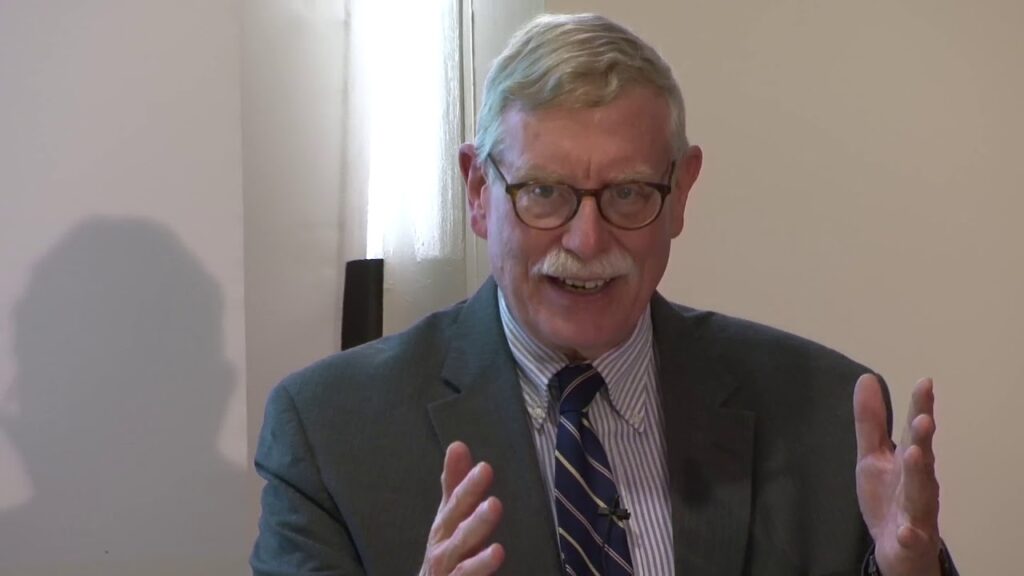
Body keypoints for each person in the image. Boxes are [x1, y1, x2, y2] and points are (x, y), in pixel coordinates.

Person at [251, 13, 956, 576]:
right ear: (478, 190)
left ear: (681, 192)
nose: (587, 240)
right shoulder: (330, 435)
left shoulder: (822, 413)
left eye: (627, 193)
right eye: (544, 192)